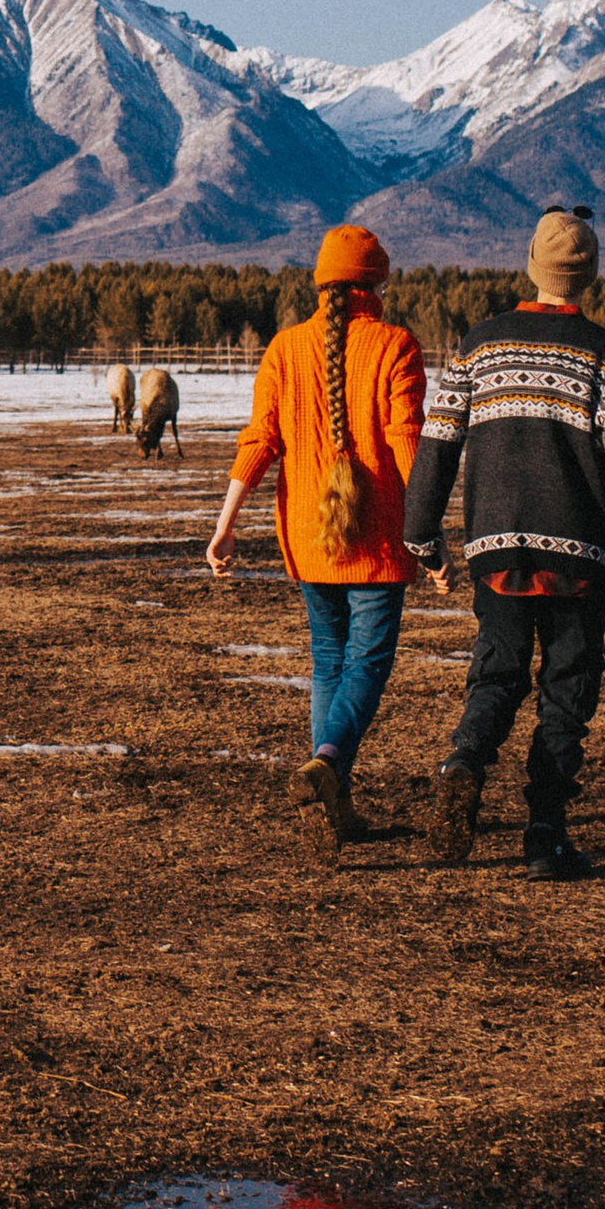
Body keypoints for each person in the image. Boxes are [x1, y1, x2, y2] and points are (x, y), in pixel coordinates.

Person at [404, 204, 605, 882]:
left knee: (497, 672)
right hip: (577, 556)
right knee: (567, 689)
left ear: (531, 265)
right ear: (589, 275)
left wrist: (423, 539)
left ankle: (463, 762)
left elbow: (436, 450)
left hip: (495, 551)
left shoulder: (478, 345)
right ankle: (545, 833)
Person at [206, 225, 425, 858]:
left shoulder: (284, 348)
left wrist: (225, 524)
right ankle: (327, 760)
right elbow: (406, 443)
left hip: (307, 538)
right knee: (366, 664)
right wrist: (430, 530)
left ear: (321, 284)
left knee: (328, 660)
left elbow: (259, 442)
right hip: (378, 540)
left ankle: (335, 801)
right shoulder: (395, 346)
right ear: (377, 284)